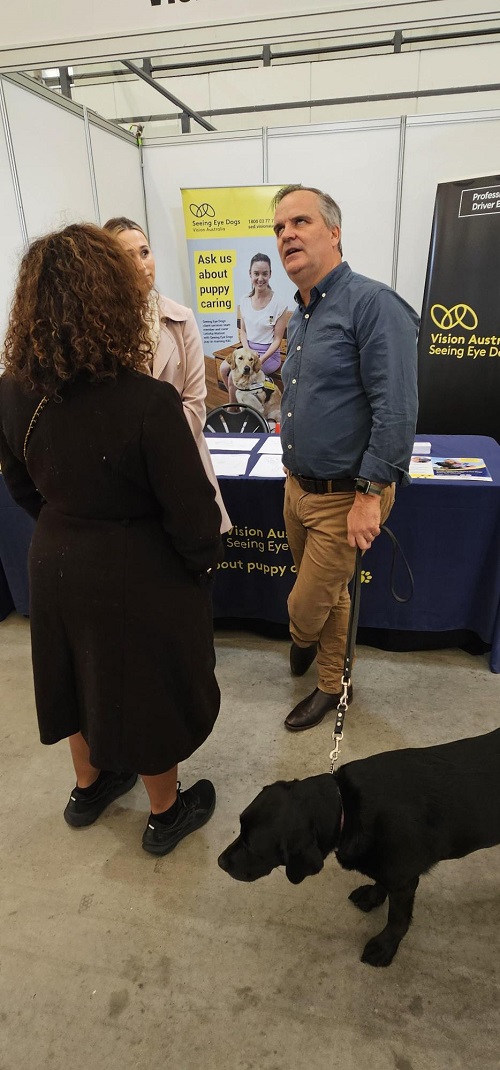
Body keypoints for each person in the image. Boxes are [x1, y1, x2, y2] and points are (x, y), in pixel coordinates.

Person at [0, 223, 223, 856]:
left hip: (55, 555)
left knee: (74, 673)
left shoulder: (12, 394)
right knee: (144, 685)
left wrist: (66, 517)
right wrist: (198, 568)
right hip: (137, 565)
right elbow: (193, 515)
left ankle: (89, 787)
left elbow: (19, 486)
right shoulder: (147, 402)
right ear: (112, 298)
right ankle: (166, 812)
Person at [272, 184, 419, 732]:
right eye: (279, 228)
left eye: (300, 222)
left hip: (345, 496)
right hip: (296, 488)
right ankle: (334, 685)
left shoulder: (373, 304)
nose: (287, 234)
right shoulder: (303, 315)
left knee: (306, 607)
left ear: (333, 232)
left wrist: (368, 497)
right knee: (331, 595)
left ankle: (302, 639)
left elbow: (397, 410)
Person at [103, 216, 231, 532]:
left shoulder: (181, 318)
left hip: (184, 466)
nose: (141, 264)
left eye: (144, 252)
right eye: (126, 256)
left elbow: (195, 403)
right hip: (127, 479)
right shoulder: (98, 331)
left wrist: (159, 453)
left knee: (197, 557)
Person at [220, 253, 289, 403]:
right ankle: (237, 404)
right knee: (224, 369)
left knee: (234, 375)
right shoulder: (244, 300)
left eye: (265, 273)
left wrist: (259, 359)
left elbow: (277, 340)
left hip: (268, 356)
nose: (260, 278)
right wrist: (247, 351)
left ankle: (239, 407)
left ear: (270, 274)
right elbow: (243, 332)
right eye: (256, 273)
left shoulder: (279, 303)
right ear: (250, 274)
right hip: (247, 351)